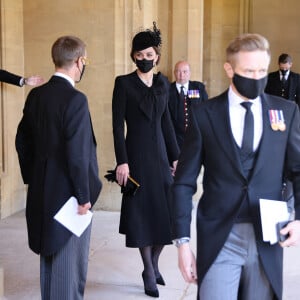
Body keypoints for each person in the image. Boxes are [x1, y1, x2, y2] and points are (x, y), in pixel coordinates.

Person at [171, 33, 300, 300]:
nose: (256, 77)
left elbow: (298, 170)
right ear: (230, 69)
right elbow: (183, 182)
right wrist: (182, 243)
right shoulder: (205, 115)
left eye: (262, 70)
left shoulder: (286, 112)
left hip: (268, 237)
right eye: (248, 71)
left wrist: (299, 218)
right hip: (220, 236)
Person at [15, 35, 102, 300]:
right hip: (69, 199)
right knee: (68, 270)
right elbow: (78, 155)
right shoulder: (75, 100)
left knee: (49, 267)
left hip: (42, 194)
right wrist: (85, 196)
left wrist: (35, 178)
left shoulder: (36, 96)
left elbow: (22, 142)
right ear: (78, 62)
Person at [112, 22, 179, 298]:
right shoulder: (123, 83)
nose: (144, 59)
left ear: (157, 56)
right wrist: (122, 161)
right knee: (141, 215)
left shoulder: (164, 84)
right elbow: (117, 126)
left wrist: (176, 158)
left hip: (161, 157)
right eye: (139, 55)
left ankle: (154, 263)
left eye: (149, 54)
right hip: (136, 157)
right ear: (133, 56)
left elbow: (167, 123)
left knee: (166, 214)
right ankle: (148, 271)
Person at [168, 60, 208, 149]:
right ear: (174, 73)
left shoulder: (198, 87)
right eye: (178, 71)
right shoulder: (167, 90)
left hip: (195, 137)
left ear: (190, 73)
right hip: (175, 139)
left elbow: (205, 109)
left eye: (185, 71)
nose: (181, 75)